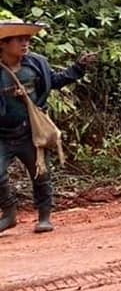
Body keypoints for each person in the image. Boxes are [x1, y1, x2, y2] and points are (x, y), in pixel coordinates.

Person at [0, 14, 97, 233]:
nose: (25, 43)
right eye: (19, 39)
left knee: (41, 174)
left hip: (30, 132)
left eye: (27, 39)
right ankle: (9, 214)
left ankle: (44, 217)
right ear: (4, 44)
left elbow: (55, 81)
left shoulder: (37, 64)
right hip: (3, 135)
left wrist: (78, 68)